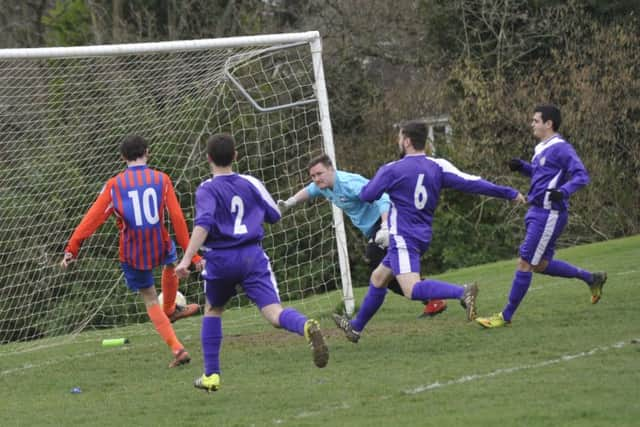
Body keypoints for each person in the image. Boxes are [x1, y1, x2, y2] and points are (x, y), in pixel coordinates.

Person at [332, 120, 526, 343]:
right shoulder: (438, 166)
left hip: (403, 236)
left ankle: (461, 292)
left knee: (411, 289)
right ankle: (355, 328)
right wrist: (509, 193)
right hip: (422, 235)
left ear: (406, 141)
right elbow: (472, 183)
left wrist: (358, 187)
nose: (398, 142)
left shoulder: (392, 169)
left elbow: (367, 195)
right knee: (378, 277)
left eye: (399, 138)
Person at [175, 133, 329, 393]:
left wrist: (186, 260)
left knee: (213, 310)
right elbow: (274, 215)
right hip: (251, 256)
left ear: (209, 159)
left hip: (221, 259)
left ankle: (211, 375)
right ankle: (304, 325)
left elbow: (204, 224)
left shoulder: (207, 188)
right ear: (236, 155)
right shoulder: (251, 183)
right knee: (274, 313)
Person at [60, 135, 202, 368]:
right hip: (160, 243)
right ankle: (170, 310)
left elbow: (92, 218)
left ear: (122, 157)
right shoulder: (161, 179)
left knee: (149, 298)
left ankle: (177, 348)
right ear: (147, 152)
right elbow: (177, 218)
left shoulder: (114, 185)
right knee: (171, 261)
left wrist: (72, 248)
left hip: (133, 252)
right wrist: (193, 255)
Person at [476, 105, 607, 328]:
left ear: (549, 124)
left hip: (549, 213)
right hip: (535, 211)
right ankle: (591, 278)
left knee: (525, 261)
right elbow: (542, 175)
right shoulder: (540, 148)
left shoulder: (562, 148)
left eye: (536, 120)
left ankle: (505, 316)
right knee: (541, 264)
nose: (532, 124)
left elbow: (581, 176)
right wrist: (523, 168)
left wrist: (564, 191)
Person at [277, 153, 448, 317]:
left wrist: (385, 226)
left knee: (377, 263)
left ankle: (436, 296)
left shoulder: (349, 184)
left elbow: (383, 198)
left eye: (319, 174)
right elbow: (309, 190)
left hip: (387, 220)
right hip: (377, 226)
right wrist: (290, 203)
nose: (316, 179)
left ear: (331, 169)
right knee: (388, 271)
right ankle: (432, 297)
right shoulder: (323, 186)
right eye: (313, 175)